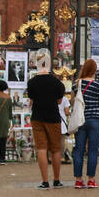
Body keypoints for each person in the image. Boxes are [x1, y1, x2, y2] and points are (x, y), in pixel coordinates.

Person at [25, 50, 67, 189]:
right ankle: (56, 179)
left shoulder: (32, 82)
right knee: (55, 149)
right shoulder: (57, 82)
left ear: (37, 64)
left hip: (37, 116)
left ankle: (44, 181)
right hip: (53, 117)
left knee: (41, 148)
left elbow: (31, 99)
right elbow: (60, 101)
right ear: (49, 64)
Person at [71, 59, 99, 188]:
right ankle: (91, 179)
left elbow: (73, 102)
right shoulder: (98, 86)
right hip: (95, 119)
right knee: (92, 150)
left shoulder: (76, 84)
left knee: (79, 150)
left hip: (80, 120)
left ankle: (78, 180)